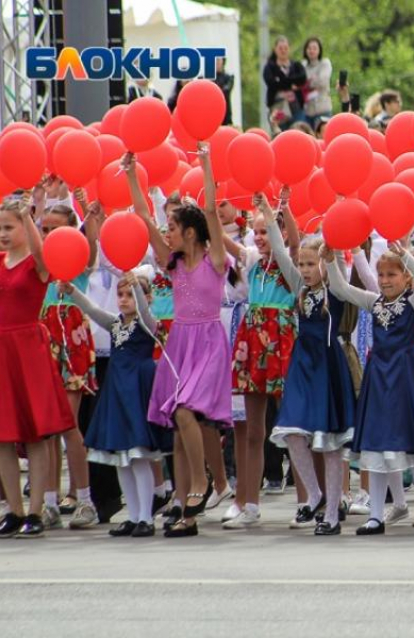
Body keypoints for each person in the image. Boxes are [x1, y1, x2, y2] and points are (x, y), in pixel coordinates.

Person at [130, 145, 231, 538]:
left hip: (208, 341)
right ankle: (184, 509)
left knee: (187, 411)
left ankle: (202, 483)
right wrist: (129, 174)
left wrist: (206, 164)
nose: (167, 232)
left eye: (172, 227)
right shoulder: (171, 262)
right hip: (180, 342)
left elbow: (210, 211)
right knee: (177, 421)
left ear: (189, 232)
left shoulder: (215, 260)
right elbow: (142, 216)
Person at [324, 243, 414, 536]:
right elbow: (342, 289)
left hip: (407, 377)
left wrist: (406, 253)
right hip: (379, 379)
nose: (384, 280)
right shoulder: (374, 302)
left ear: (405, 277)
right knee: (377, 445)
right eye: (380, 274)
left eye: (391, 274)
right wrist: (331, 261)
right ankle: (375, 515)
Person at [260, 198, 354, 536]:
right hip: (302, 363)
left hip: (328, 363)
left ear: (324, 264)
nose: (305, 270)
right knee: (291, 430)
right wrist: (273, 220)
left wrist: (336, 255)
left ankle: (331, 512)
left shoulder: (335, 290)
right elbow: (282, 254)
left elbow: (342, 282)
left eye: (311, 263)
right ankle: (313, 492)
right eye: (303, 264)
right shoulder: (300, 287)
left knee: (329, 442)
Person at [0, 195, 74, 539]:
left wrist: (27, 215)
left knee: (36, 432)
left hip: (29, 347)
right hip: (2, 347)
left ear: (25, 227)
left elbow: (40, 252)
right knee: (0, 432)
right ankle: (13, 510)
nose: (3, 233)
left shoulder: (37, 264)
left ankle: (35, 510)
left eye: (10, 227)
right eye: (0, 227)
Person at [60, 273, 171, 538]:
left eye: (130, 295)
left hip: (138, 390)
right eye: (120, 295)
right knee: (121, 459)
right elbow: (93, 310)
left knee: (138, 455)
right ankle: (132, 516)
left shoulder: (147, 325)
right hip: (118, 391)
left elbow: (145, 315)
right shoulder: (115, 324)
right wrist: (74, 291)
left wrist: (136, 284)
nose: (123, 300)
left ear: (146, 299)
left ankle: (146, 516)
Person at [223, 197, 298, 528]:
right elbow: (220, 236)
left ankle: (308, 500)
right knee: (254, 430)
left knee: (294, 426)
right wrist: (210, 207)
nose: (260, 237)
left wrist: (277, 210)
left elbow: (292, 242)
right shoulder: (252, 261)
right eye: (256, 232)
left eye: (266, 231)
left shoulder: (291, 263)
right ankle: (249, 505)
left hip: (282, 339)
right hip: (252, 338)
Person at [36, 192, 100, 530]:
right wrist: (37, 198)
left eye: (55, 229)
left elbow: (92, 244)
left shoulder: (78, 259)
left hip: (72, 334)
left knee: (68, 423)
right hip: (44, 335)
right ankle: (48, 500)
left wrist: (86, 209)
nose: (49, 236)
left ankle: (85, 499)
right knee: (46, 427)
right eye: (45, 229)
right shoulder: (42, 261)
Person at [262, 35, 307, 130]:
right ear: (275, 49)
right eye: (280, 48)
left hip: (296, 107)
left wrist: (281, 81)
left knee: (299, 132)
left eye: (285, 48)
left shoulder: (296, 65)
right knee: (281, 133)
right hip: (278, 107)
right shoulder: (270, 67)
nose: (283, 51)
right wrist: (291, 83)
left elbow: (302, 78)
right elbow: (271, 83)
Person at [302, 37, 333, 126]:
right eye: (309, 48)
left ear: (319, 50)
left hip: (323, 108)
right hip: (307, 110)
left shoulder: (325, 63)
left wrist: (308, 82)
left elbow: (322, 81)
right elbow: (299, 82)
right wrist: (312, 80)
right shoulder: (303, 65)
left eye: (314, 48)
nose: (312, 51)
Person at [213, 57, 235, 126]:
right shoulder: (211, 78)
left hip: (226, 113)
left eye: (219, 60)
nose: (217, 63)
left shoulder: (229, 77)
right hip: (213, 112)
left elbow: (227, 90)